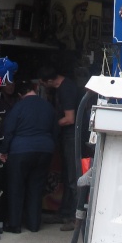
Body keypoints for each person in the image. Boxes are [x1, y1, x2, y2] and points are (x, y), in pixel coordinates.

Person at [0, 78, 58, 233]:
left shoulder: (18, 107)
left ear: (20, 94)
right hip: (45, 150)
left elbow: (8, 130)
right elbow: (55, 130)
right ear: (35, 90)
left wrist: (3, 151)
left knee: (16, 187)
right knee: (36, 188)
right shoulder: (48, 107)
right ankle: (34, 224)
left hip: (21, 151)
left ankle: (15, 224)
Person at [38, 64, 82, 230]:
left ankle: (74, 218)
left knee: (73, 177)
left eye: (43, 83)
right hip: (67, 137)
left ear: (50, 81)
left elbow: (70, 118)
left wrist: (51, 124)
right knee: (66, 176)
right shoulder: (63, 88)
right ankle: (64, 212)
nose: (43, 86)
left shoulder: (66, 89)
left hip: (72, 137)